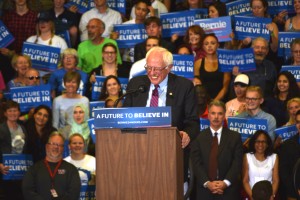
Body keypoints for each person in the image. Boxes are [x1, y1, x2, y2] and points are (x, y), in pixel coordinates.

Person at [123, 46, 199, 183]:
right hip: (137, 153)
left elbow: (193, 122)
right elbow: (125, 117)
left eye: (157, 69)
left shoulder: (184, 87)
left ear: (169, 67)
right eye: (149, 68)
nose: (152, 73)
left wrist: (186, 134)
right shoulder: (135, 84)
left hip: (170, 155)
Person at [190, 100, 243, 199]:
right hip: (205, 191)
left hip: (228, 191)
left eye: (220, 114)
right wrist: (207, 183)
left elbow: (237, 163)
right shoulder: (198, 137)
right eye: (213, 113)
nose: (216, 117)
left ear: (224, 116)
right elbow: (196, 164)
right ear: (208, 115)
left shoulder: (234, 137)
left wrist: (225, 183)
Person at [22, 132, 81, 200]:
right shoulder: (33, 169)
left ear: (63, 148)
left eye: (59, 145)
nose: (56, 147)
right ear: (47, 146)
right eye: (53, 144)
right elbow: (28, 192)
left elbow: (74, 193)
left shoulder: (71, 170)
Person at [0, 100, 27, 200]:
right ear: (5, 113)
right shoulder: (1, 128)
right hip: (5, 170)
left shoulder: (23, 128)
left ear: (19, 112)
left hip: (20, 170)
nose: (13, 113)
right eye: (10, 111)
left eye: (15, 111)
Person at [242, 130, 279, 199]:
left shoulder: (274, 157)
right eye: (257, 141)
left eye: (263, 142)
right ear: (253, 143)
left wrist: (271, 196)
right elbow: (245, 181)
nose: (260, 144)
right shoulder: (247, 156)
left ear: (267, 144)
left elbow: (275, 181)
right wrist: (252, 197)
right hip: (252, 196)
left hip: (268, 196)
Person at [194, 33, 231, 101]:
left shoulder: (225, 62)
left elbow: (225, 87)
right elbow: (197, 86)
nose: (209, 46)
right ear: (203, 46)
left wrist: (214, 102)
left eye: (212, 43)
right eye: (206, 44)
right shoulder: (198, 63)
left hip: (221, 101)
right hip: (204, 102)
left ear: (218, 45)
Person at [279, 110, 300, 200]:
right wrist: (295, 190)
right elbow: (284, 172)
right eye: (298, 122)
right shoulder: (287, 145)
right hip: (293, 194)